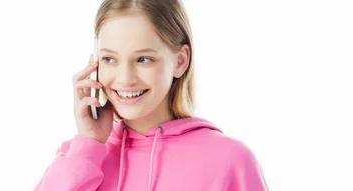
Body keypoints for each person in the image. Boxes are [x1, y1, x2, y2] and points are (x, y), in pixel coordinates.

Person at [33, 0, 268, 190]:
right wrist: (89, 145)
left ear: (180, 61)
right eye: (109, 59)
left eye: (143, 59)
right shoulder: (78, 156)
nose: (125, 78)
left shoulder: (229, 161)